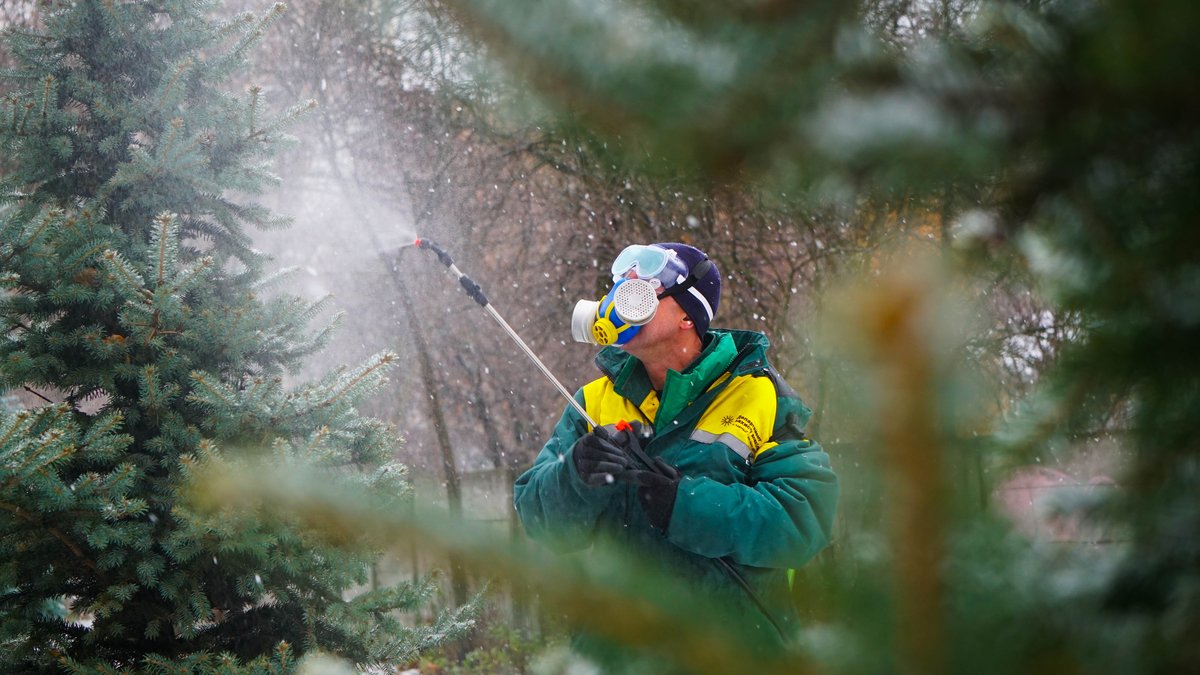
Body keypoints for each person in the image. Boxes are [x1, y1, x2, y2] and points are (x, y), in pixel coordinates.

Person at [513, 242, 838, 655]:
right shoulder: (592, 402)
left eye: (645, 285)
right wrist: (574, 472)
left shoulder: (758, 395)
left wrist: (685, 505)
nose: (622, 292)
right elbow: (537, 518)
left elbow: (805, 518)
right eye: (621, 283)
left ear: (688, 315)